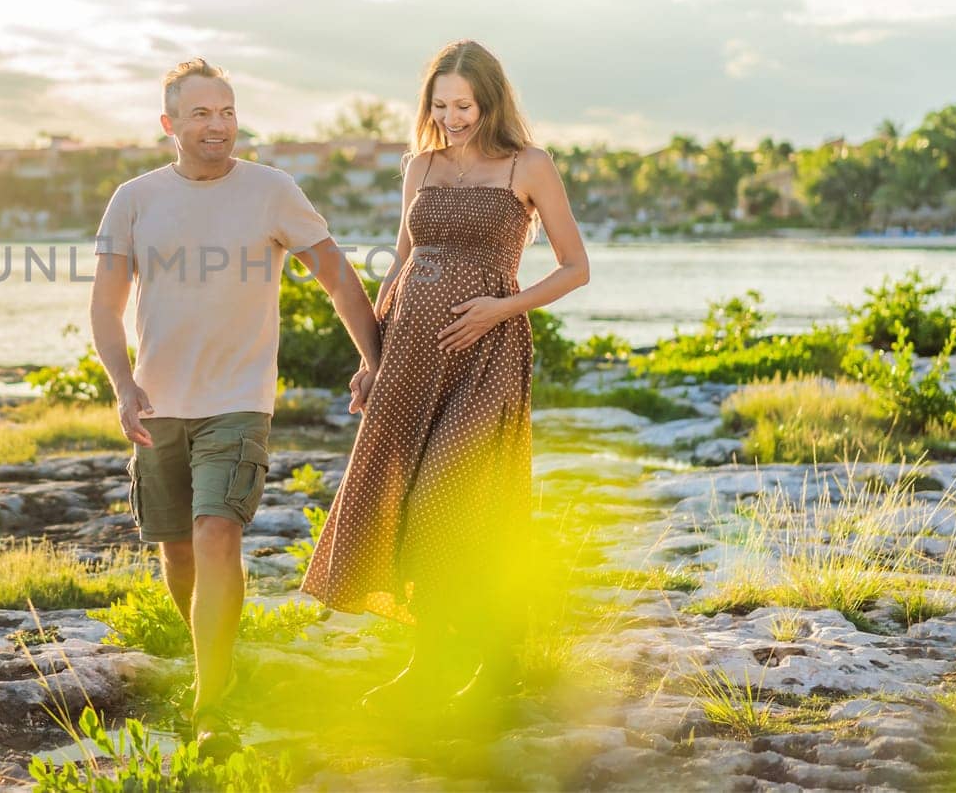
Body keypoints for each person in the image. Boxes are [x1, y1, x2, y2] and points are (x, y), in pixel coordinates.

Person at [88, 58, 381, 755]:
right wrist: (123, 385)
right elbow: (105, 305)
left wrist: (375, 358)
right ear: (170, 124)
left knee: (219, 532)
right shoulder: (134, 198)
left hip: (239, 401)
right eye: (200, 113)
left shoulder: (273, 191)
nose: (217, 125)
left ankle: (210, 701)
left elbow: (339, 278)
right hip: (158, 404)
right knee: (179, 551)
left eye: (226, 111)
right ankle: (209, 659)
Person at [300, 39, 590, 717]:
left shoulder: (528, 164)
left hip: (487, 355)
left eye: (464, 104)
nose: (453, 116)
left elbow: (575, 267)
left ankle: (485, 653)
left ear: (489, 101)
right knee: (403, 501)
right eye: (440, 104)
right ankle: (441, 660)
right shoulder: (420, 165)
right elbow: (400, 263)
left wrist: (501, 307)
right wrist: (372, 357)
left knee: (448, 502)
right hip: (409, 355)